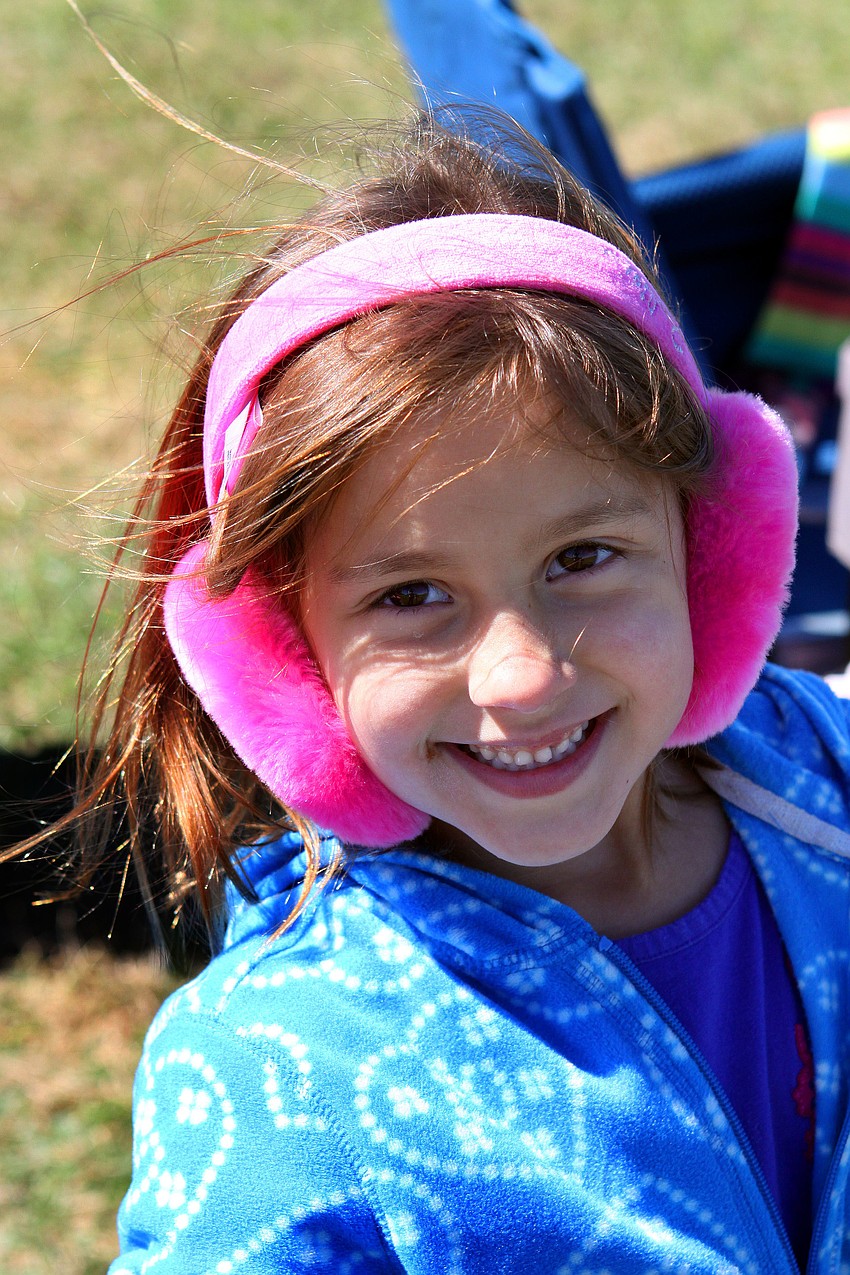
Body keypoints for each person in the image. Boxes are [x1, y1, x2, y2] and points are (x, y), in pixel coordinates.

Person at [79, 115, 850, 1272]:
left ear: (712, 554)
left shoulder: (825, 785)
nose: (523, 675)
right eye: (410, 598)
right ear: (280, 658)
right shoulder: (284, 1071)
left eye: (581, 560)